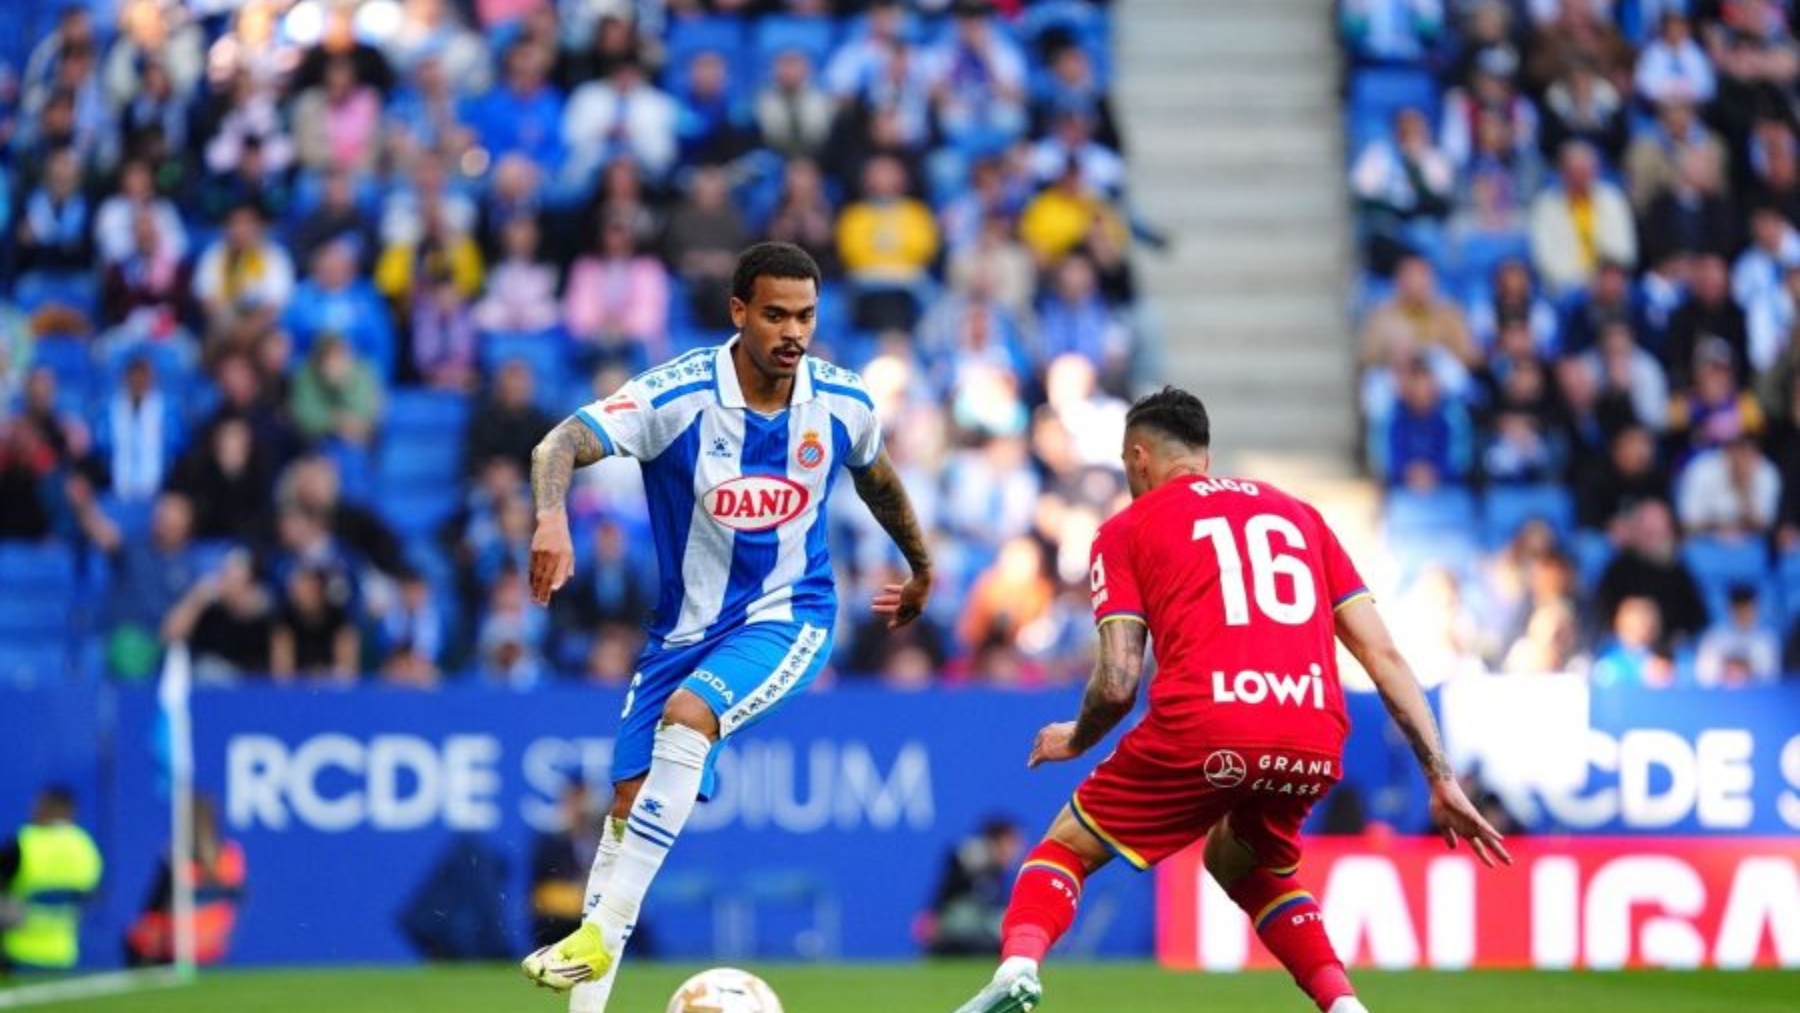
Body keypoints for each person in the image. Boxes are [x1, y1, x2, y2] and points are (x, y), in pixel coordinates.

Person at [947, 387, 1509, 1013]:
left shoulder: (1127, 529)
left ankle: (1017, 970)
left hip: (1207, 724)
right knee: (1243, 861)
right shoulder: (1302, 516)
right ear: (1203, 456)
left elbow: (1118, 681)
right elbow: (1384, 656)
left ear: (1138, 457)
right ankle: (1345, 1005)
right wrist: (1441, 775)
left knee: (1065, 849)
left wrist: (1076, 737)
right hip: (1313, 733)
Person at [518, 242, 934, 1010]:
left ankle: (602, 932)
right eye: (775, 313)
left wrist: (921, 566)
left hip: (789, 615)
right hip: (678, 634)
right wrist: (552, 518)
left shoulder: (843, 402)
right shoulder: (677, 395)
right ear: (738, 312)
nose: (793, 331)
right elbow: (560, 442)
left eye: (806, 315)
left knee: (690, 718)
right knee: (626, 805)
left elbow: (876, 476)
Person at [123, 795, 246, 966]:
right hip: (215, 939)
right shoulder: (230, 854)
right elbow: (238, 895)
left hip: (179, 940)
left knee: (137, 936)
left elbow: (156, 903)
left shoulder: (177, 856)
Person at [1, 786, 104, 972]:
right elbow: (90, 894)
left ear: (47, 808)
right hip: (62, 954)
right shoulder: (84, 846)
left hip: (17, 952)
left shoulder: (24, 842)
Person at [921, 816, 1024, 956]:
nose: (1016, 849)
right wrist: (933, 917)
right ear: (998, 840)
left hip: (980, 924)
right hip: (958, 925)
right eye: (1011, 842)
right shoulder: (969, 856)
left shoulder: (999, 866)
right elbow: (946, 889)